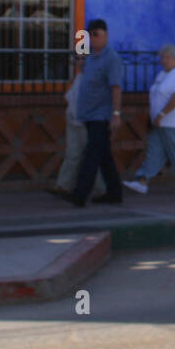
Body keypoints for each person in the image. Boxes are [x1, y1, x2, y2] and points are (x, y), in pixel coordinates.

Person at [64, 18, 124, 207]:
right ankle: (114, 192)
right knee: (104, 156)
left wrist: (116, 114)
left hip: (101, 115)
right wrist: (81, 57)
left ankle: (79, 194)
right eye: (91, 35)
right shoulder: (90, 58)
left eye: (97, 34)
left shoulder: (111, 58)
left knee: (91, 155)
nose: (93, 38)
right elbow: (83, 73)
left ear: (105, 35)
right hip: (88, 114)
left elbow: (116, 87)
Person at [124, 44, 175, 195]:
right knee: (154, 152)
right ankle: (142, 181)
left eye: (167, 57)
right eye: (162, 57)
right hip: (160, 123)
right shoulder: (163, 74)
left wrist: (162, 114)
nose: (164, 60)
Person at [51, 56, 106, 198]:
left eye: (83, 59)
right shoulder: (79, 77)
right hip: (73, 122)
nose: (80, 62)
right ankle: (63, 185)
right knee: (72, 154)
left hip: (87, 122)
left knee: (92, 156)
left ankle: (102, 188)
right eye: (78, 59)